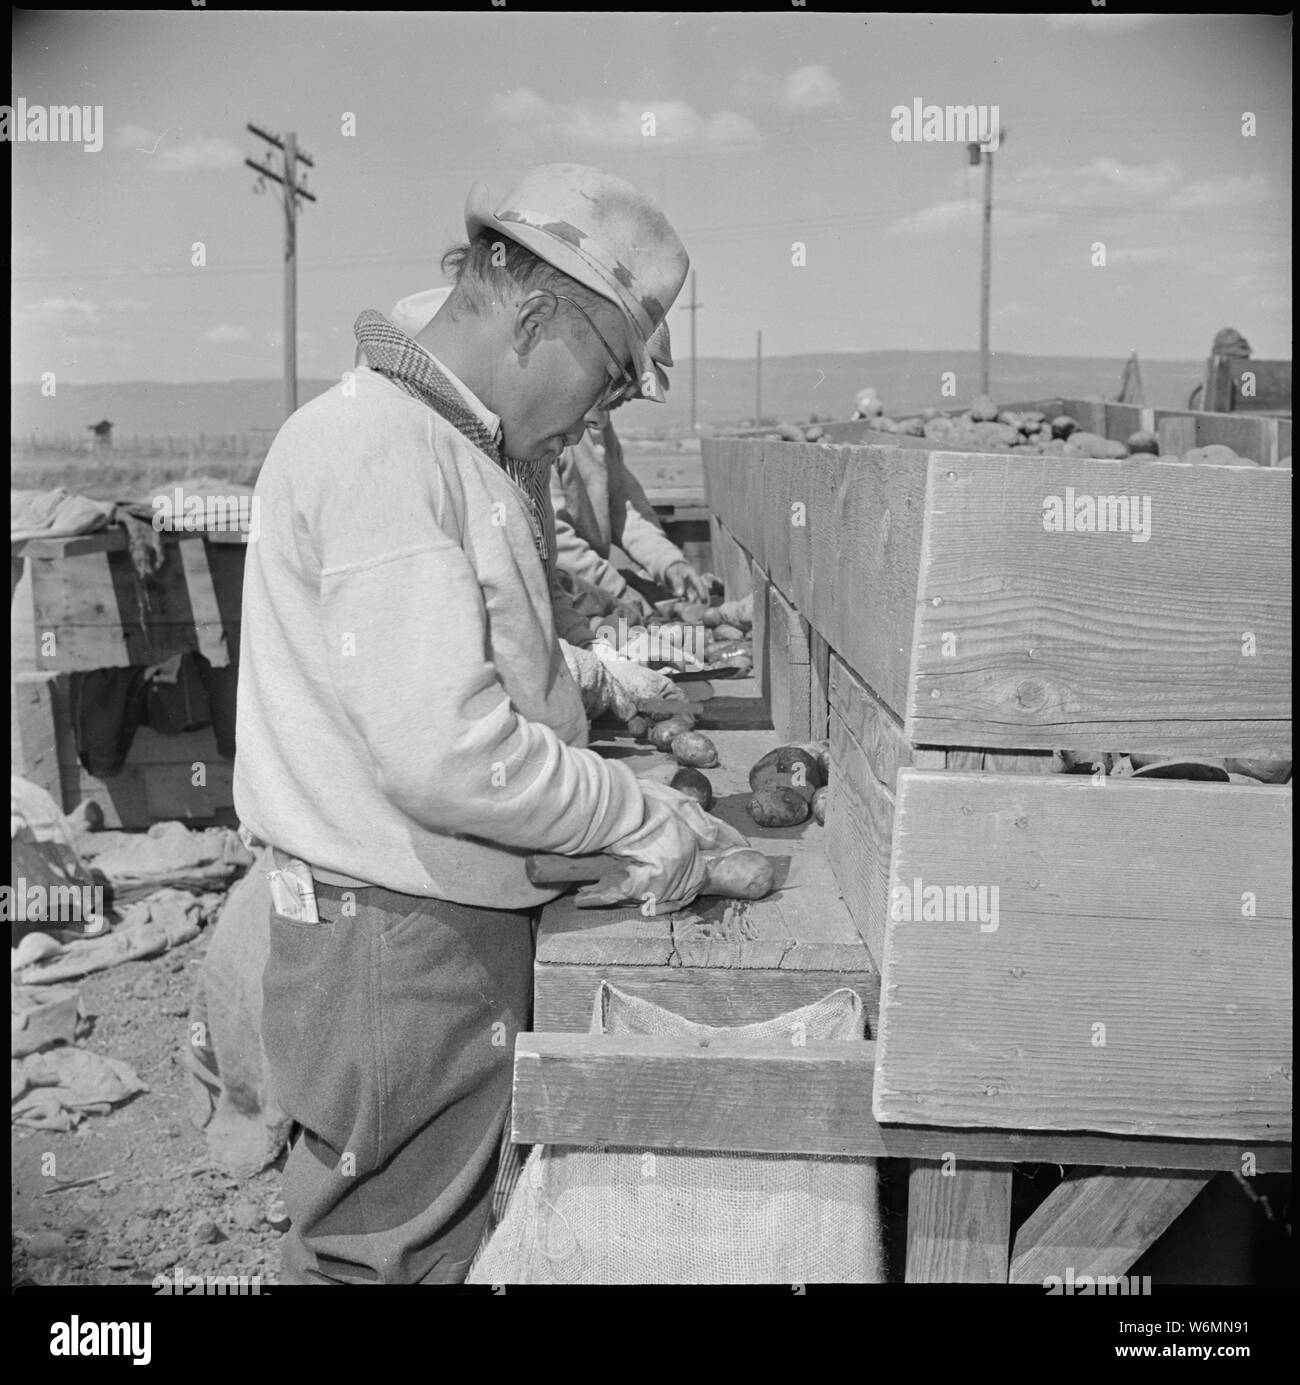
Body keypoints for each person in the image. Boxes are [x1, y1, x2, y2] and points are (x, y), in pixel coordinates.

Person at [235, 163, 746, 1284]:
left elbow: (435, 653)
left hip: (410, 920)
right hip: (399, 942)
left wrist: (597, 679)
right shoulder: (388, 451)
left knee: (413, 1238)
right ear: (538, 311)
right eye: (611, 377)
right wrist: (636, 811)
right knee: (390, 1257)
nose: (598, 410)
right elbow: (443, 750)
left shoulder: (429, 441)